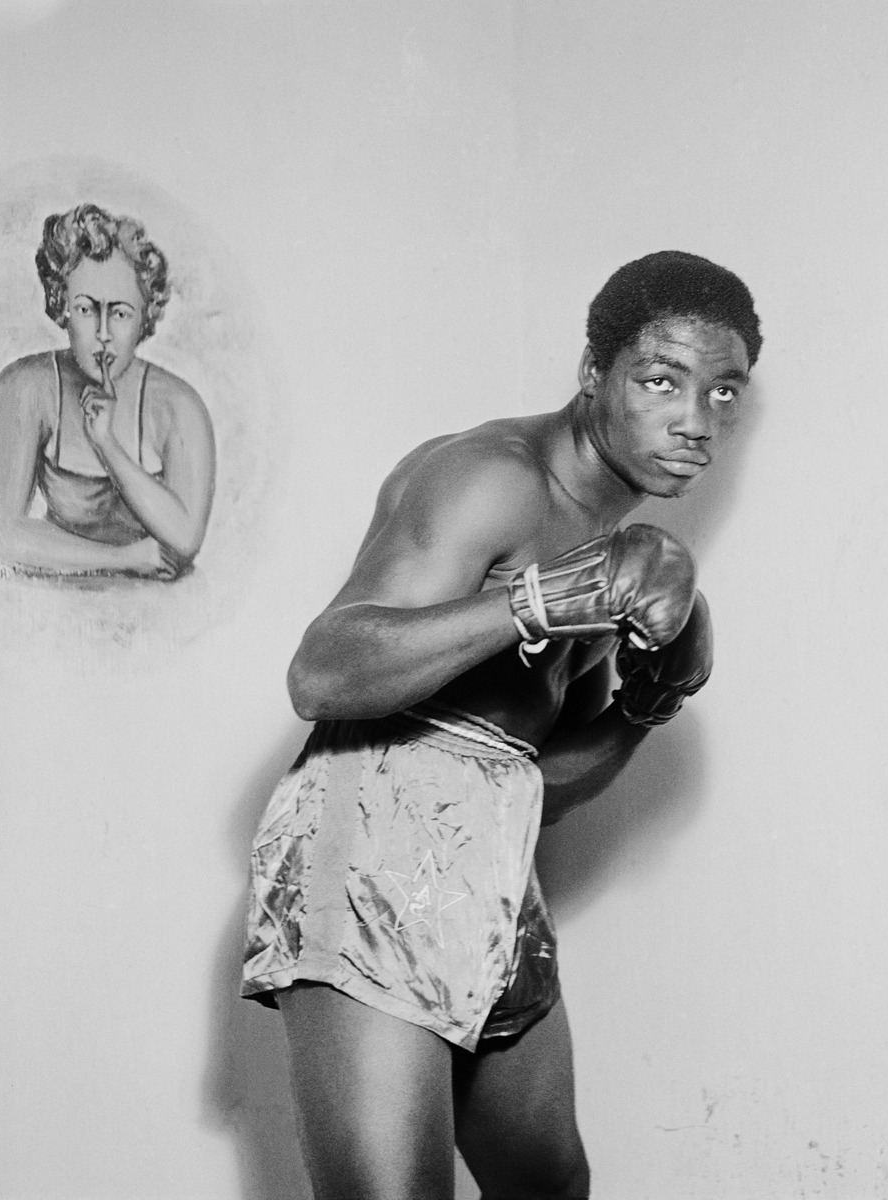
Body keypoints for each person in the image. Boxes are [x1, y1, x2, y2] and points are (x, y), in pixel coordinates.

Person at [241, 250, 762, 1200]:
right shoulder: (494, 479)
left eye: (723, 393)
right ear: (593, 375)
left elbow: (530, 773)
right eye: (661, 380)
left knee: (549, 1185)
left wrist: (648, 706)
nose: (695, 420)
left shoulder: (614, 543)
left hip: (492, 861)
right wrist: (538, 600)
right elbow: (321, 670)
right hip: (368, 846)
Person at [0, 202, 215, 579]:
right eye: (86, 309)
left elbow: (186, 539)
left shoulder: (179, 405)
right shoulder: (25, 387)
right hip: (50, 612)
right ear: (62, 307)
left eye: (120, 312)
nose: (103, 333)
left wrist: (107, 444)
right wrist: (124, 559)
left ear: (145, 317)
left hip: (161, 618)